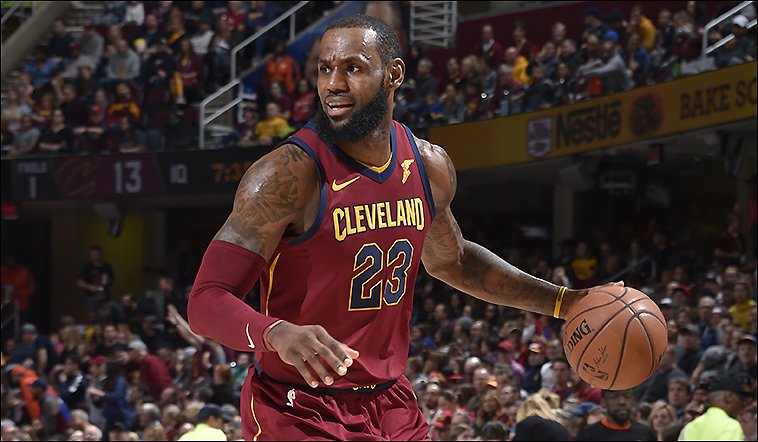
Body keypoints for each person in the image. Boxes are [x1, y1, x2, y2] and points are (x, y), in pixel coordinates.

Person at [187, 14, 619, 440]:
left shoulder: (428, 165)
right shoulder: (286, 175)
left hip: (390, 402)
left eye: (352, 68)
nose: (333, 84)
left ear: (393, 74)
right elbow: (206, 300)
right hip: (298, 408)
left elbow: (455, 262)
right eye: (324, 69)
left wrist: (564, 302)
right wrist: (275, 332)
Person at [679, 375, 750, 440]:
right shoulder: (730, 426)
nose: (743, 404)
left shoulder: (688, 428)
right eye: (741, 399)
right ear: (729, 396)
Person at [576, 389, 656, 441]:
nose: (622, 402)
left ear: (633, 400)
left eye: (627, 396)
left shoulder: (645, 432)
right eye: (614, 397)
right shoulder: (588, 434)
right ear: (603, 402)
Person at [76, 246, 115, 314]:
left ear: (101, 254)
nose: (95, 257)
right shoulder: (87, 267)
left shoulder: (106, 266)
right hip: (91, 297)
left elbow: (112, 280)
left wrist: (107, 280)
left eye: (96, 255)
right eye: (93, 255)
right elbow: (79, 283)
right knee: (93, 315)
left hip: (105, 297)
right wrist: (91, 287)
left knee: (107, 315)